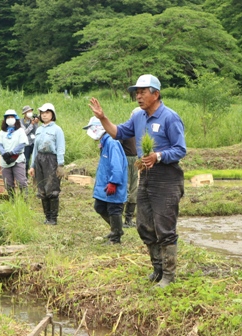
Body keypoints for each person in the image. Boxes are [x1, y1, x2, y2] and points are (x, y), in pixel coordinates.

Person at [88, 74, 186, 288]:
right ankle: (157, 269)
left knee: (165, 227)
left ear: (156, 94)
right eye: (137, 92)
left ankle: (169, 275)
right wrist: (103, 118)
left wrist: (158, 156)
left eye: (143, 92)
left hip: (167, 177)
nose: (138, 96)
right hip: (146, 176)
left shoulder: (170, 117)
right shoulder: (138, 117)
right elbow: (118, 133)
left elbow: (180, 149)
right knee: (143, 224)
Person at [83, 116, 128, 244]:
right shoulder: (105, 142)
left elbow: (117, 166)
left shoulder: (112, 143)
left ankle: (116, 236)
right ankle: (116, 229)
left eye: (92, 129)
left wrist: (114, 182)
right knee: (100, 206)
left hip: (113, 184)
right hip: (104, 184)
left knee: (114, 209)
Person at [29, 103, 66, 225]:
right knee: (42, 189)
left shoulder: (57, 129)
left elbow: (60, 147)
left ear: (52, 114)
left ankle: (53, 218)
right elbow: (35, 149)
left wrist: (60, 165)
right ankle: (47, 217)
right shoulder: (39, 129)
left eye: (47, 113)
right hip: (39, 159)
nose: (44, 115)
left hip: (52, 160)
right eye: (42, 113)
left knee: (52, 188)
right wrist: (32, 165)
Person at [121, 106, 141, 228]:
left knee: (135, 189)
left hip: (136, 160)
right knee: (126, 188)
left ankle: (129, 219)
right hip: (126, 160)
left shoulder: (142, 131)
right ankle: (120, 219)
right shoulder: (126, 130)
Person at [21, 105, 39, 177]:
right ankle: (25, 177)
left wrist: (36, 123)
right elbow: (24, 132)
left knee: (36, 159)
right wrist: (31, 124)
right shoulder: (21, 122)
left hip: (34, 142)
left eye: (31, 111)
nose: (30, 113)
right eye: (28, 111)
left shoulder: (34, 120)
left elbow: (37, 131)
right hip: (27, 143)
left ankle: (36, 175)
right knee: (26, 160)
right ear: (25, 113)